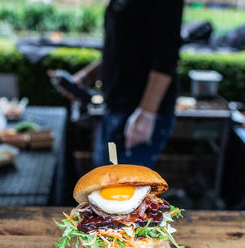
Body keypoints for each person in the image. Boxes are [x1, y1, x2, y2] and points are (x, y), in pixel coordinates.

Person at [63, 0, 184, 168]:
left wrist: (146, 113)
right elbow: (121, 48)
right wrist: (86, 76)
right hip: (113, 107)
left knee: (127, 185)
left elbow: (166, 57)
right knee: (107, 172)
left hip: (137, 114)